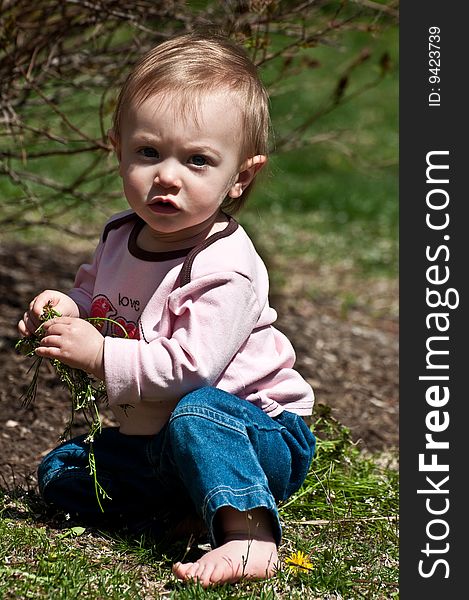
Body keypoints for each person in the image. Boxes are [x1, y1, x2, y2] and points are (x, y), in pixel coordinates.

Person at [18, 32, 316, 587]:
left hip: (253, 431)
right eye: (149, 152)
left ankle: (249, 535)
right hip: (156, 439)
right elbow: (95, 297)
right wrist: (65, 308)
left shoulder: (225, 265)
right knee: (61, 472)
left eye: (198, 160)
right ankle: (188, 504)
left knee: (198, 411)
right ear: (119, 147)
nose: (167, 176)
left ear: (240, 177)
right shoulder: (119, 234)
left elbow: (191, 369)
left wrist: (100, 354)